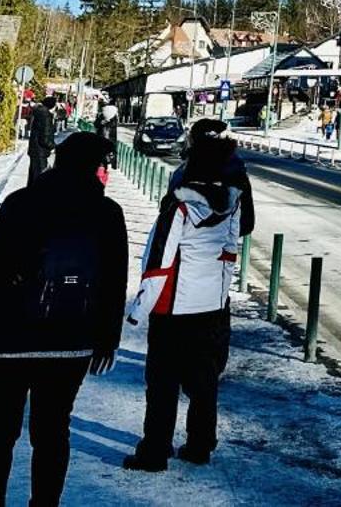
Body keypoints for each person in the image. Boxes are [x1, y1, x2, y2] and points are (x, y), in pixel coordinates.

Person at [0, 131, 127, 507]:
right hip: (70, 342)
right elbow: (114, 282)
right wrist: (107, 338)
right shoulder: (107, 214)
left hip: (3, 342)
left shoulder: (20, 203)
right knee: (53, 433)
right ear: (95, 168)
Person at [124, 130, 245, 471]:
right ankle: (200, 444)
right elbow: (230, 252)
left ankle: (154, 451)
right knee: (205, 379)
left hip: (174, 308)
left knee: (162, 384)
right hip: (212, 307)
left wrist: (138, 309)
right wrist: (218, 295)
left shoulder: (178, 207)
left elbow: (158, 261)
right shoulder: (233, 201)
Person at [170, 118, 256, 238]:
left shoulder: (183, 172)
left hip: (187, 246)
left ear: (193, 141)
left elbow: (168, 214)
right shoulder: (237, 172)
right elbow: (247, 223)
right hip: (222, 248)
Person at [27, 98, 57, 184]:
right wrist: (53, 146)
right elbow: (45, 137)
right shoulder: (46, 116)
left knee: (33, 176)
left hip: (35, 149)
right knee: (41, 178)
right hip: (40, 151)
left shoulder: (38, 112)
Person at [97, 99, 120, 168]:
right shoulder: (101, 115)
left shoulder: (114, 117)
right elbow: (96, 124)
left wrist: (104, 122)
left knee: (107, 153)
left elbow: (114, 126)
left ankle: (110, 165)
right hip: (103, 137)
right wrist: (101, 122)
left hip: (108, 137)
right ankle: (106, 166)